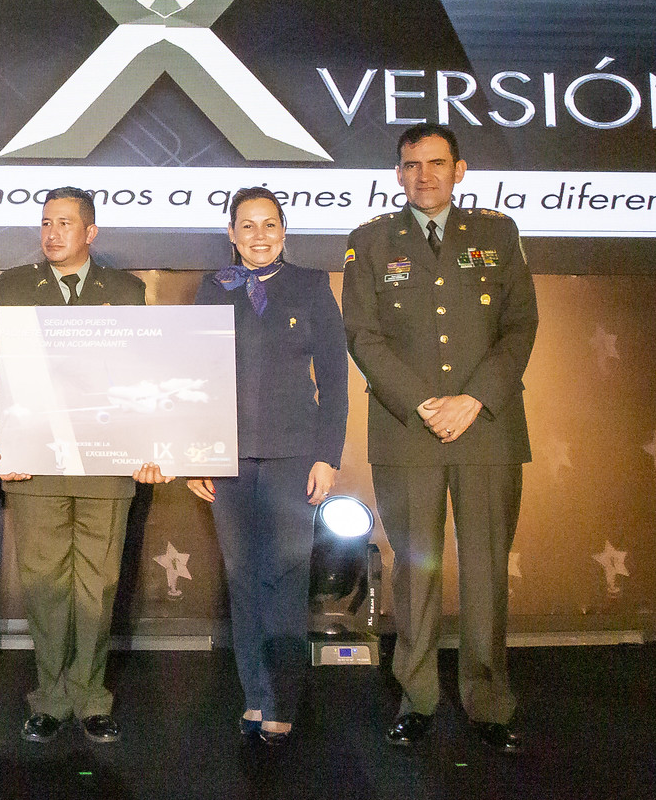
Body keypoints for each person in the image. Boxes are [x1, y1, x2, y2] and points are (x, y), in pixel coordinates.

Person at [344, 126, 537, 753]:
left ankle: (489, 701)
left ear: (460, 169)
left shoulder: (497, 234)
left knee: (486, 568)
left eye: (436, 163)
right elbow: (363, 336)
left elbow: (520, 325)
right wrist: (425, 404)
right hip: (408, 429)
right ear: (397, 174)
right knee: (415, 571)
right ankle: (418, 698)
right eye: (411, 165)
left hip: (486, 429)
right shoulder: (371, 241)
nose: (423, 175)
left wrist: (473, 399)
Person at [0, 187, 164, 746]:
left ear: (91, 232)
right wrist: (1, 440)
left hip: (106, 464)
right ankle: (50, 698)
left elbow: (143, 377)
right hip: (35, 462)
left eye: (64, 223)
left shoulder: (126, 291)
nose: (52, 233)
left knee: (98, 586)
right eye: (45, 223)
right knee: (44, 586)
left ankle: (91, 696)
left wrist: (151, 443)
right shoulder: (13, 287)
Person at [187, 187, 348, 746]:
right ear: (231, 233)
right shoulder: (212, 288)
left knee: (285, 576)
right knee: (242, 578)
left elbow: (335, 379)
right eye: (248, 225)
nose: (260, 235)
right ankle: (254, 695)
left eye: (270, 224)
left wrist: (327, 455)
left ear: (284, 231)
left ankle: (281, 699)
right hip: (227, 458)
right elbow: (196, 378)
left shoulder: (311, 285)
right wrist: (194, 455)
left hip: (293, 456)